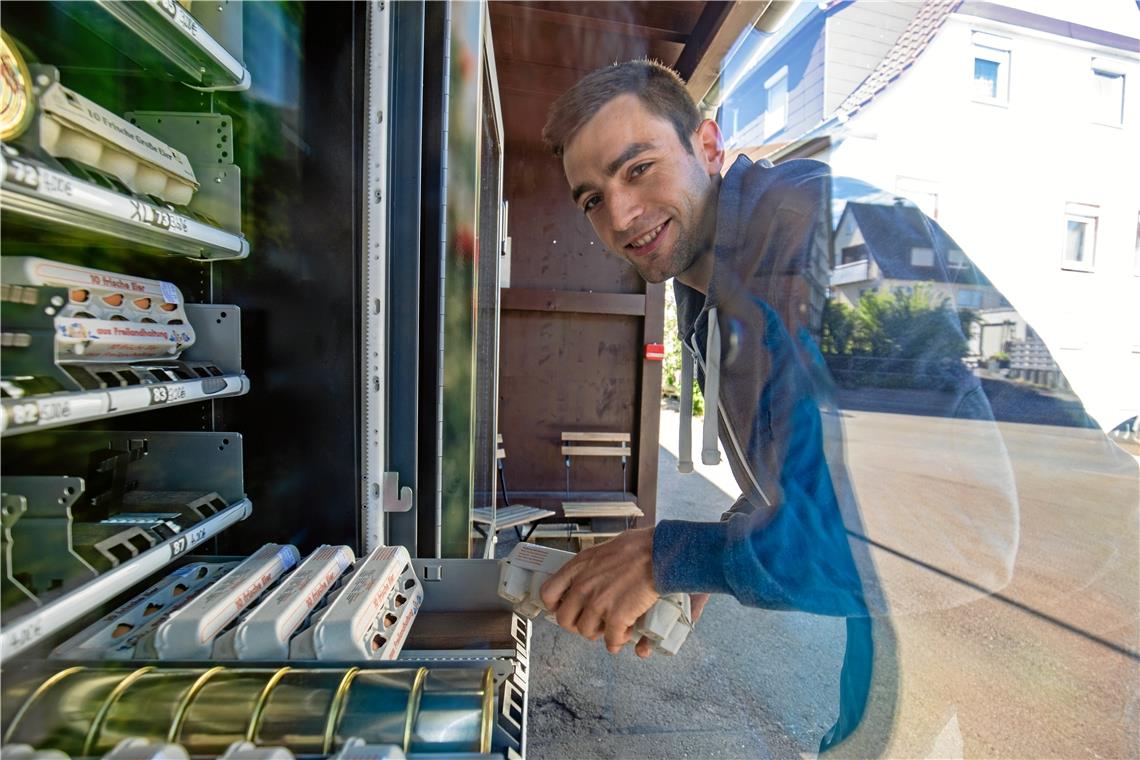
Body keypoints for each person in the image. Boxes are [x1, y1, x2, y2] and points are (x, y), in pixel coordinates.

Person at [535, 59, 1018, 754]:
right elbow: (817, 468)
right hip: (883, 648)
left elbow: (959, 541)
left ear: (708, 146)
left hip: (980, 667)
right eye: (590, 198)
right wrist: (723, 542)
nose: (619, 215)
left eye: (638, 168)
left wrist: (678, 556)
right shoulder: (700, 275)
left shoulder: (819, 233)